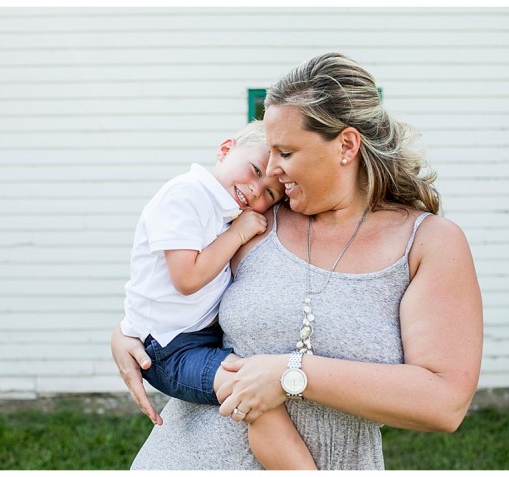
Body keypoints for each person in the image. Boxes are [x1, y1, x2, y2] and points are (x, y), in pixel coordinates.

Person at [111, 52, 483, 470]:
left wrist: (292, 373)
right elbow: (172, 283)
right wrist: (126, 332)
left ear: (346, 146)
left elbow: (444, 402)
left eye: (285, 152)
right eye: (267, 152)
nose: (271, 171)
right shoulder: (253, 220)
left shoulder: (428, 243)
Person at [119, 121, 314, 469]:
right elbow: (187, 278)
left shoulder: (223, 205)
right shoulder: (186, 195)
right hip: (169, 349)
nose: (256, 191)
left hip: (197, 336)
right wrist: (238, 234)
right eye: (254, 171)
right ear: (225, 149)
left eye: (270, 193)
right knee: (249, 392)